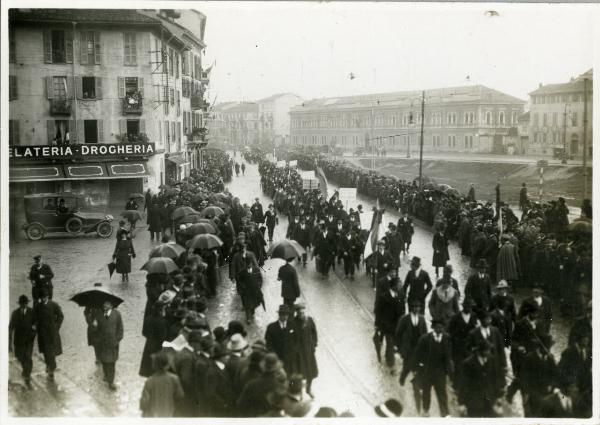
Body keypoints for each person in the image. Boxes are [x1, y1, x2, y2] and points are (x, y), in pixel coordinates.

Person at [413, 319, 453, 417]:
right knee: (426, 392)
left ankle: (445, 413)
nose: (440, 329)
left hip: (440, 372)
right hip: (427, 371)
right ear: (433, 328)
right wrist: (418, 368)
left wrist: (449, 372)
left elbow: (449, 356)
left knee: (442, 393)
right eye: (437, 327)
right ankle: (426, 410)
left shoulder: (447, 338)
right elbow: (417, 354)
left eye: (441, 327)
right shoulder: (425, 339)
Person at [458, 340, 503, 417]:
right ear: (480, 351)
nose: (489, 352)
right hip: (474, 402)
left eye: (489, 350)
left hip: (489, 401)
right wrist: (461, 403)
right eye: (487, 350)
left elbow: (495, 379)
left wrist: (498, 396)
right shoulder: (468, 363)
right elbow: (463, 383)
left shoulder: (492, 360)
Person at [90, 300, 124, 390]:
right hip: (103, 343)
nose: (105, 305)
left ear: (112, 305)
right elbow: (95, 330)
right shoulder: (99, 315)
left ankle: (111, 382)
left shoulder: (117, 314)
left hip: (113, 343)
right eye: (104, 304)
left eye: (108, 304)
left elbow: (120, 328)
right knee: (105, 361)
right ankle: (106, 374)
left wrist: (117, 339)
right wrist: (94, 325)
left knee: (112, 362)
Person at [140, 351, 185, 417]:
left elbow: (144, 402)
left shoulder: (150, 380)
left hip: (154, 414)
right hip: (170, 412)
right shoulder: (174, 379)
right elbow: (180, 395)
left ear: (154, 365)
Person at [374, 277, 405, 372]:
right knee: (390, 343)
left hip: (397, 325)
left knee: (393, 344)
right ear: (394, 286)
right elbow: (378, 311)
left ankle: (388, 356)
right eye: (399, 284)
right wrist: (377, 325)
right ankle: (391, 365)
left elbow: (402, 310)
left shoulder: (400, 295)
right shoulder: (384, 297)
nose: (401, 285)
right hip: (386, 325)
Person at [396, 301, 427, 389]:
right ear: (411, 308)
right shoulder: (405, 318)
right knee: (407, 364)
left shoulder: (422, 319)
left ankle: (416, 383)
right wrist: (399, 346)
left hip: (418, 346)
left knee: (417, 365)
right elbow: (399, 333)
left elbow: (425, 333)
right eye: (415, 307)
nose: (417, 309)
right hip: (408, 347)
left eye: (418, 307)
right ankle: (403, 377)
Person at [33, 289, 63, 381]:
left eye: (44, 297)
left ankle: (51, 368)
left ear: (47, 297)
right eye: (41, 297)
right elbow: (34, 317)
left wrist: (56, 326)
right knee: (45, 351)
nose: (43, 299)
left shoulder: (54, 305)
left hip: (52, 333)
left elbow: (61, 316)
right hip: (42, 333)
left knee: (51, 352)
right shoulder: (37, 306)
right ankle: (48, 364)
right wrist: (35, 325)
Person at [9, 295, 36, 389]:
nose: (24, 305)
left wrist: (34, 331)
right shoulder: (15, 313)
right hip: (19, 340)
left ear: (27, 303)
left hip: (29, 340)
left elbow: (36, 323)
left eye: (25, 304)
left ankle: (27, 375)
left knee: (28, 357)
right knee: (20, 357)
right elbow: (10, 327)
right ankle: (26, 370)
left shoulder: (32, 312)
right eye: (22, 304)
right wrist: (9, 343)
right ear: (20, 304)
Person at [292, 304, 318, 398]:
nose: (301, 314)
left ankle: (308, 389)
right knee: (299, 373)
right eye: (299, 313)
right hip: (299, 353)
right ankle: (300, 392)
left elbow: (314, 332)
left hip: (309, 351)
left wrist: (314, 344)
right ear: (296, 313)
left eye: (303, 312)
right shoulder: (293, 322)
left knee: (311, 373)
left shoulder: (309, 320)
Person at [265, 305, 296, 374]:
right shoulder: (271, 327)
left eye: (287, 315)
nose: (285, 317)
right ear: (279, 315)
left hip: (290, 360)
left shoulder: (292, 325)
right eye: (283, 314)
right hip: (277, 360)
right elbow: (269, 344)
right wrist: (274, 357)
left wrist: (293, 353)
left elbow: (296, 341)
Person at [238, 258, 265, 323]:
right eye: (247, 264)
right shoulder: (242, 272)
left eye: (249, 264)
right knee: (247, 305)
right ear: (245, 264)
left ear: (251, 264)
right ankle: (248, 318)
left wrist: (258, 286)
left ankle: (252, 312)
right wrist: (242, 288)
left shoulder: (256, 270)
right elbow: (240, 281)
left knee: (254, 303)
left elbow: (260, 279)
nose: (249, 266)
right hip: (246, 291)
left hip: (254, 290)